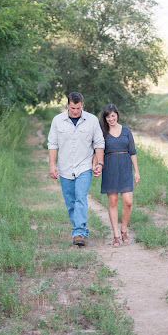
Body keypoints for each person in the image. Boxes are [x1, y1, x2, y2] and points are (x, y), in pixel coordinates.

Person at [48, 92, 105, 246]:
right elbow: (53, 144)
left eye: (78, 108)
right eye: (72, 108)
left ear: (82, 106)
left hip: (84, 166)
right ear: (67, 105)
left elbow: (99, 142)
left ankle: (80, 232)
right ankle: (78, 229)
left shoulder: (92, 120)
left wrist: (100, 163)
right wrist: (52, 165)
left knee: (80, 197)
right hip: (65, 167)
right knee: (70, 202)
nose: (75, 111)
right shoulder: (57, 121)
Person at [96, 104, 140, 247]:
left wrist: (136, 171)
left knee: (128, 202)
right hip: (110, 168)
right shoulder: (103, 132)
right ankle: (115, 235)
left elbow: (132, 152)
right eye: (108, 117)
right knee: (113, 202)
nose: (111, 119)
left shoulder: (126, 131)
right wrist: (96, 165)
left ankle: (124, 229)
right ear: (105, 118)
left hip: (125, 167)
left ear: (117, 115)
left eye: (113, 115)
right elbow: (98, 150)